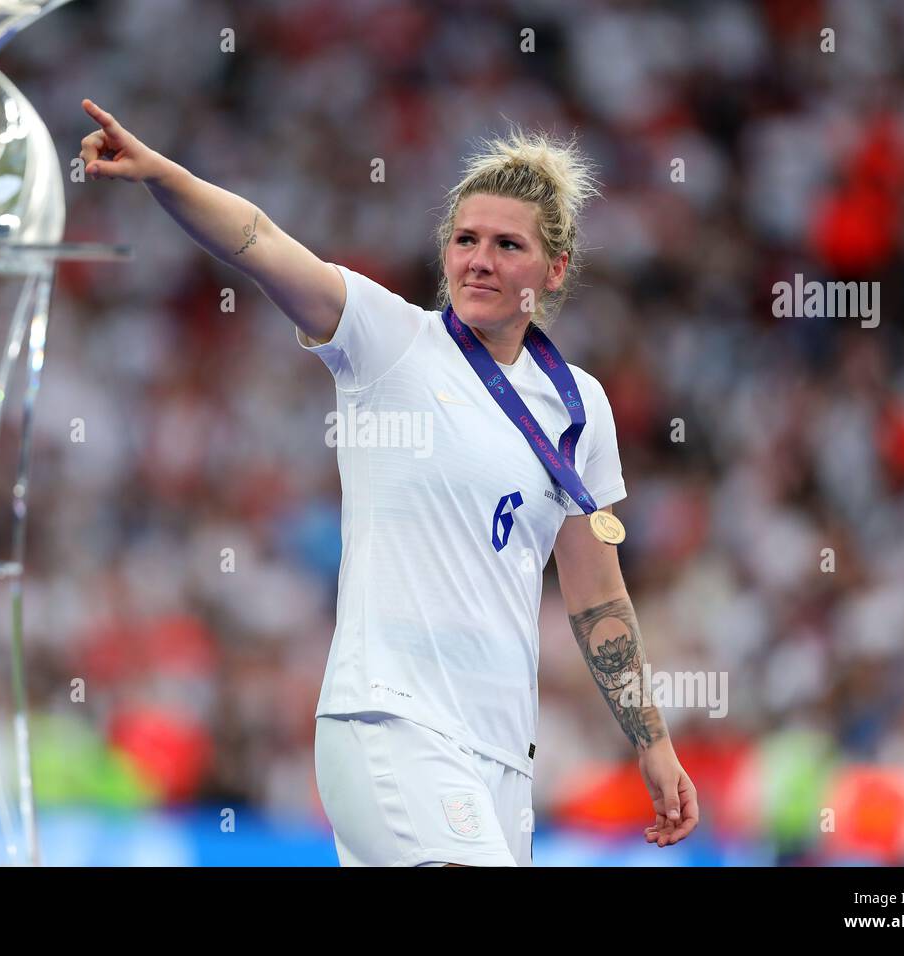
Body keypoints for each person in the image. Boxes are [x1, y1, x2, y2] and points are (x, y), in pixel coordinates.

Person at [78, 98, 699, 866]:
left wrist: (654, 741)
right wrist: (159, 173)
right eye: (465, 239)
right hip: (389, 723)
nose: (480, 259)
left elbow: (599, 597)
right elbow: (260, 241)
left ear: (555, 268)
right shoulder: (389, 341)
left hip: (504, 759)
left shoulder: (581, 406)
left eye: (508, 245)